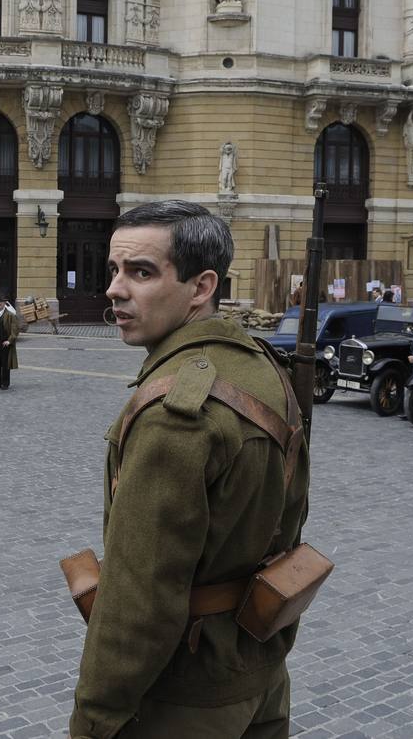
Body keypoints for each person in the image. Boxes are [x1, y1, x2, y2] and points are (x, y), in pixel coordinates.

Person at [69, 200, 309, 739]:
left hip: (186, 697)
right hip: (259, 669)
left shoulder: (175, 415)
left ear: (201, 288)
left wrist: (94, 720)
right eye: (114, 270)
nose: (114, 289)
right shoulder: (262, 367)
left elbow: (140, 598)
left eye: (141, 272)